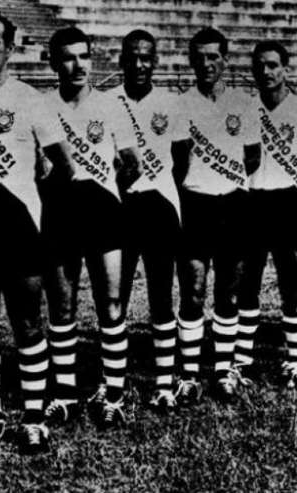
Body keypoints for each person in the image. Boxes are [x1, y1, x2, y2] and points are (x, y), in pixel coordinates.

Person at [0, 10, 72, 453]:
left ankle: (35, 417)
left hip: (19, 219)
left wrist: (35, 202)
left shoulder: (31, 100)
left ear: (9, 48)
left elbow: (65, 166)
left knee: (27, 321)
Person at [41, 27, 140, 429]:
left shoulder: (111, 105)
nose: (77, 65)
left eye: (83, 56)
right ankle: (64, 393)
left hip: (103, 210)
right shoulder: (42, 106)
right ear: (52, 62)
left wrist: (108, 191)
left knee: (111, 305)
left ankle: (113, 392)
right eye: (67, 57)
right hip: (60, 210)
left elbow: (131, 161)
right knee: (61, 308)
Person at [174, 27, 260, 403]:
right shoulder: (181, 104)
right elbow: (178, 161)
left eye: (214, 57)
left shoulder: (244, 103)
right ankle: (189, 374)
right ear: (191, 60)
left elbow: (253, 156)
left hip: (234, 204)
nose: (207, 64)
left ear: (225, 60)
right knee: (192, 291)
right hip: (196, 204)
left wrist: (231, 181)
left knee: (229, 290)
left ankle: (224, 370)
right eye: (201, 57)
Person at [109, 29, 188, 410]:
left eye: (146, 58)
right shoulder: (107, 102)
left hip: (159, 207)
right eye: (133, 57)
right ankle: (113, 384)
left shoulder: (170, 104)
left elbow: (181, 158)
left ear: (154, 61)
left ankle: (163, 383)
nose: (139, 64)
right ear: (121, 60)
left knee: (161, 294)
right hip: (121, 206)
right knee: (115, 295)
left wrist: (161, 189)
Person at [242, 40, 297, 389]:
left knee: (293, 285)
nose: (266, 72)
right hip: (252, 201)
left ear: (285, 69)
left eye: (272, 65)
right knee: (247, 283)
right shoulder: (243, 109)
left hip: (290, 202)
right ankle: (240, 362)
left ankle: (295, 362)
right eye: (260, 65)